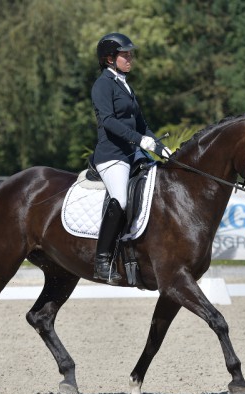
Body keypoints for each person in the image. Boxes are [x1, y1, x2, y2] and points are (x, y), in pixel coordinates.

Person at [91, 32, 172, 284]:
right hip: (112, 155)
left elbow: (141, 124)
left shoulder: (125, 84)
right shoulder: (102, 85)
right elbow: (108, 121)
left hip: (132, 153)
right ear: (109, 59)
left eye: (130, 54)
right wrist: (139, 140)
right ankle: (102, 260)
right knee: (120, 200)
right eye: (125, 55)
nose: (130, 58)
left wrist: (157, 146)